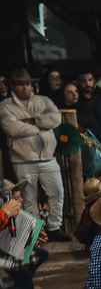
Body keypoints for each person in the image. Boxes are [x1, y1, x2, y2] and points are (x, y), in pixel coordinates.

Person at [0, 68, 68, 241]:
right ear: (12, 86)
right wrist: (41, 126)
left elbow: (56, 119)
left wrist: (32, 120)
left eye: (27, 84)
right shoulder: (5, 105)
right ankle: (35, 231)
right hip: (22, 159)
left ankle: (54, 227)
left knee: (57, 191)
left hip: (48, 158)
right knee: (29, 197)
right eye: (20, 84)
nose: (25, 87)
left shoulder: (43, 100)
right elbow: (12, 128)